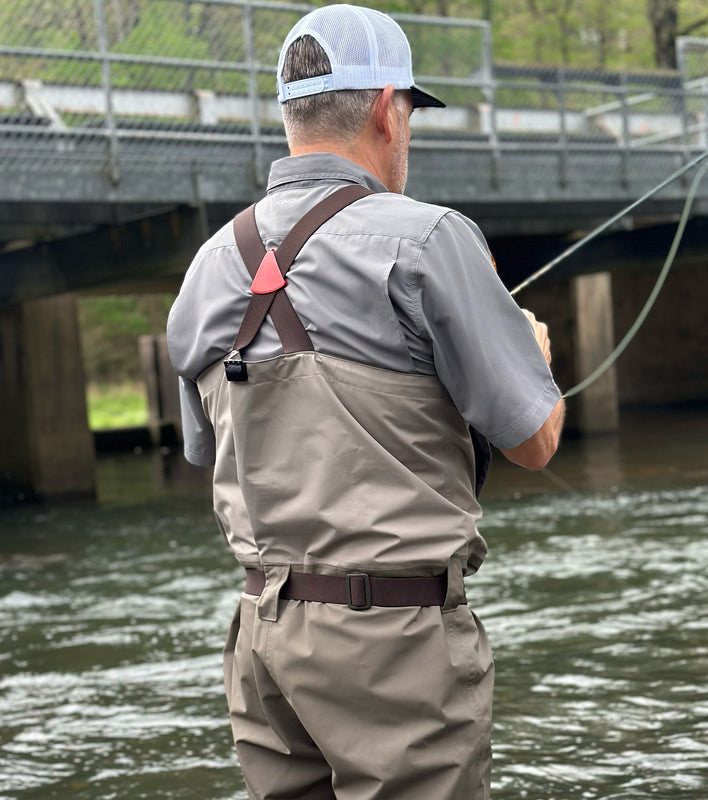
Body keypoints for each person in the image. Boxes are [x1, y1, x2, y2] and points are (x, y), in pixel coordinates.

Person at [167, 4, 565, 798]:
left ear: (290, 114)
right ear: (389, 108)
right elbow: (535, 440)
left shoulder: (209, 266)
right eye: (411, 111)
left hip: (261, 642)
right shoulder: (428, 239)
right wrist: (536, 359)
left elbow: (206, 453)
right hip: (395, 648)